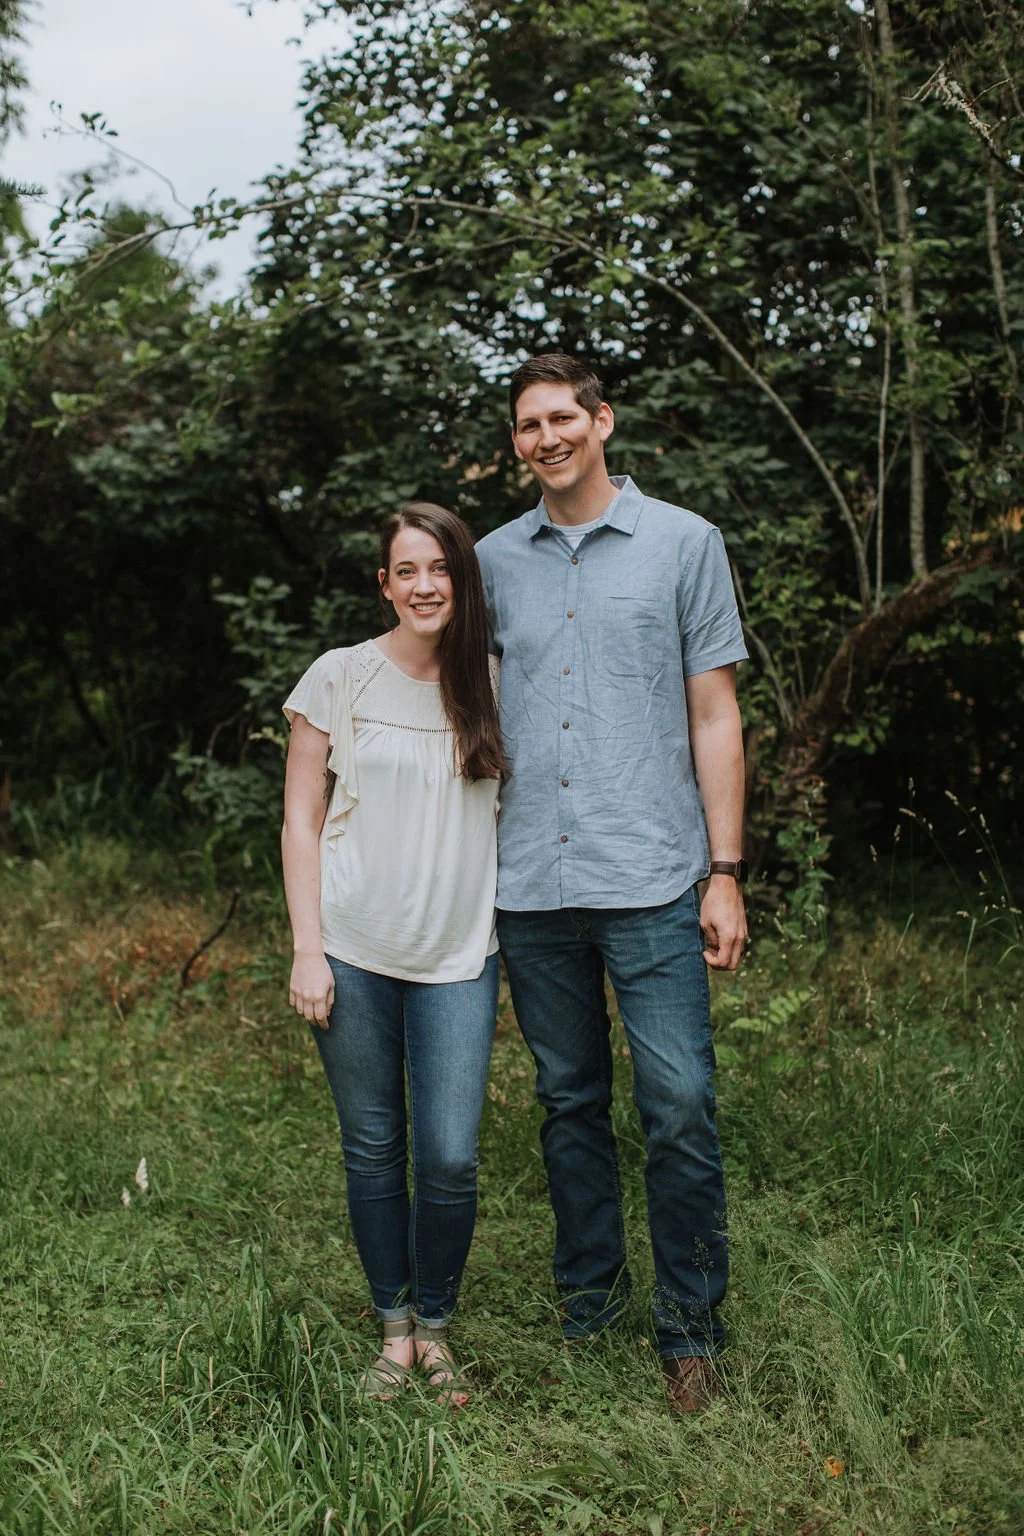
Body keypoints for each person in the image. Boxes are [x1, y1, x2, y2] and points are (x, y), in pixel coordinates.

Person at [475, 354, 748, 1414]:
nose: (545, 438)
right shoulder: (490, 561)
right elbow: (467, 711)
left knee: (678, 1103)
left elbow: (714, 713)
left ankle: (690, 1334)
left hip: (653, 876)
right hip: (530, 881)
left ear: (602, 422)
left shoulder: (685, 542)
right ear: (516, 442)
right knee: (568, 1101)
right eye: (527, 425)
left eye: (561, 418)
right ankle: (590, 1306)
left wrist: (724, 873)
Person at [280, 502, 505, 1404]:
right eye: (406, 570)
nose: (424, 585)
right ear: (384, 584)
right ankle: (397, 1330)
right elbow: (299, 821)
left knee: (449, 1156)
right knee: (373, 1147)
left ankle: (439, 1325)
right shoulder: (340, 676)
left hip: (458, 955)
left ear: (463, 579)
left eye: (440, 568)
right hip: (353, 949)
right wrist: (308, 949)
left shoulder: (495, 682)